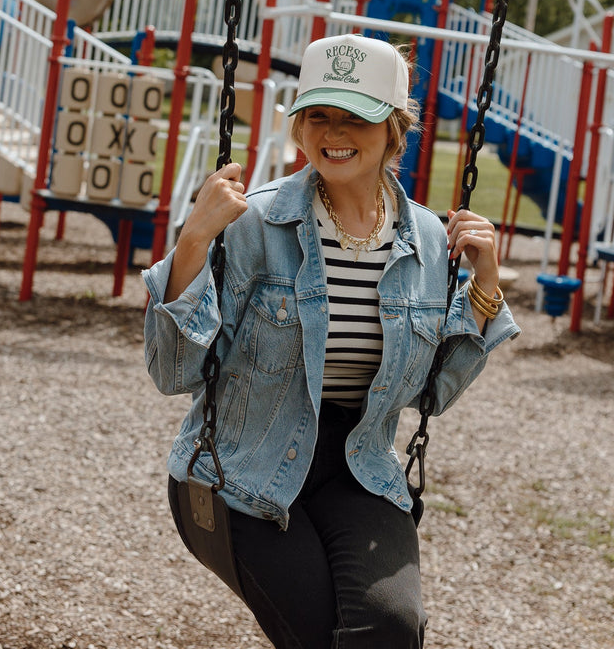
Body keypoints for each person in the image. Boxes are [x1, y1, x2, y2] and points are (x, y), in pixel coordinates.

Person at [144, 33, 520, 648]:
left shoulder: (430, 242)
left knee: (391, 630)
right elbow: (172, 374)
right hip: (239, 467)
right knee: (320, 635)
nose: (334, 133)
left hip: (358, 465)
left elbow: (432, 395)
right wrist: (190, 245)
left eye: (356, 118)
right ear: (299, 126)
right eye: (318, 115)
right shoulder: (253, 222)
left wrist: (484, 287)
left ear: (394, 129)